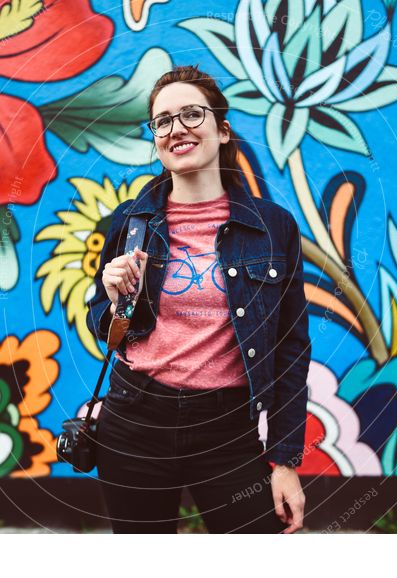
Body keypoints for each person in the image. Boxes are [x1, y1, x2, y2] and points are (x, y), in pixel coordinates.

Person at [85, 65, 311, 534]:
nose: (177, 129)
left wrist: (286, 461)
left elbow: (291, 351)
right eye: (162, 121)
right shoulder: (130, 222)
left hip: (227, 429)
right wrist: (112, 300)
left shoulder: (273, 227)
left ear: (222, 130)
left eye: (191, 113)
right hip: (135, 420)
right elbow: (109, 333)